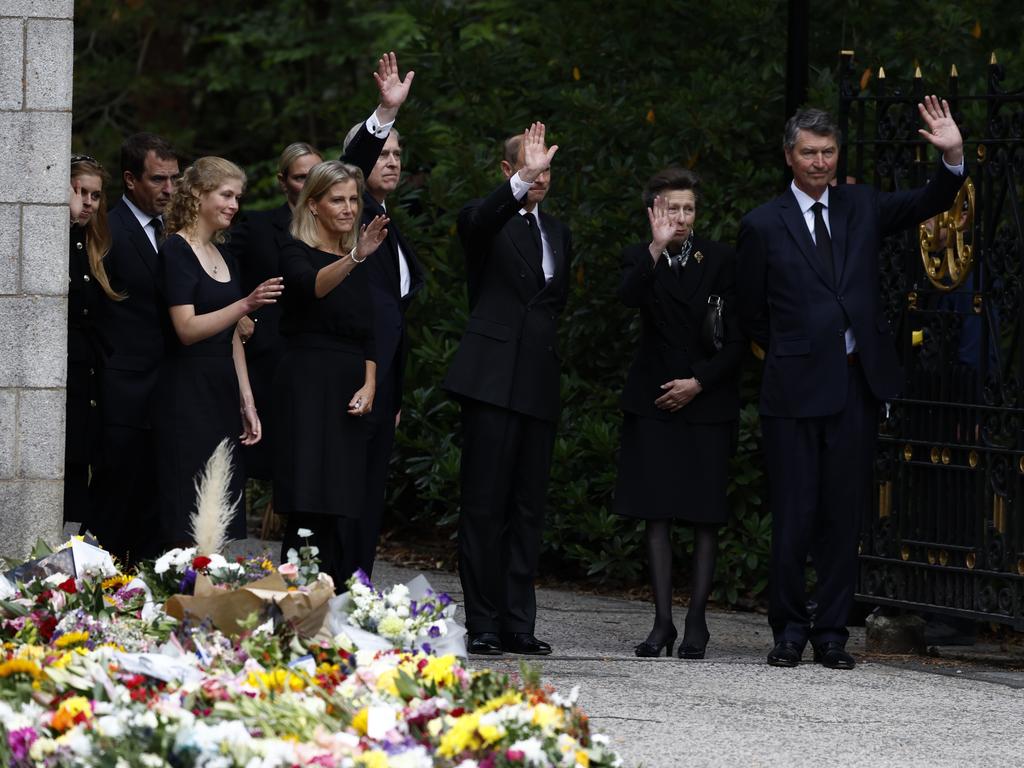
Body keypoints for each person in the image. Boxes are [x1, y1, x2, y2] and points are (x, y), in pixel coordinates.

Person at [736, 97, 966, 669]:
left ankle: (832, 632)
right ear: (789, 156)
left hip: (854, 387)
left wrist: (954, 156)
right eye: (809, 152)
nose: (820, 162)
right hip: (792, 391)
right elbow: (748, 312)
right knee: (794, 516)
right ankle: (789, 629)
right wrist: (795, 345)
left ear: (839, 156)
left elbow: (929, 200)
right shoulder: (762, 223)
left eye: (828, 151)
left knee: (843, 516)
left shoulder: (861, 204)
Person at [443, 122, 571, 656]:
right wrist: (519, 183)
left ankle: (520, 621)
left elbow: (553, 306)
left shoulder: (558, 231)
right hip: (492, 381)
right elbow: (479, 220)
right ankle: (485, 622)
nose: (540, 175)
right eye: (528, 166)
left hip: (538, 382)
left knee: (527, 508)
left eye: (545, 168)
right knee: (484, 506)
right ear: (508, 171)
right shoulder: (486, 220)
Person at [614, 168, 743, 659]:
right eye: (672, 209)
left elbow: (737, 338)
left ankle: (697, 623)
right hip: (653, 401)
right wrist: (654, 248)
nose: (682, 217)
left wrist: (699, 382)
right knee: (657, 514)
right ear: (654, 212)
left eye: (688, 208)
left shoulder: (723, 259)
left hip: (706, 401)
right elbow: (627, 298)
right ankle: (662, 622)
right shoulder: (640, 257)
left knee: (704, 514)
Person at [155, 157, 283, 549]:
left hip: (222, 391)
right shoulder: (177, 249)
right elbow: (187, 329)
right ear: (197, 193)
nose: (234, 205)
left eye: (238, 197)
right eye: (225, 194)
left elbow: (231, 338)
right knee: (187, 507)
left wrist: (247, 400)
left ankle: (212, 595)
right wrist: (245, 305)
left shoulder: (225, 255)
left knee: (220, 502)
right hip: (184, 391)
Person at [273, 161, 389, 589]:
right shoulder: (294, 248)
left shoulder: (360, 257)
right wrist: (357, 255)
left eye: (353, 199)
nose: (347, 207)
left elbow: (371, 331)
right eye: (337, 199)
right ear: (314, 205)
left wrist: (371, 382)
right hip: (307, 381)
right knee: (308, 498)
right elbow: (311, 288)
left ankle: (340, 594)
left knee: (343, 498)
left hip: (350, 385)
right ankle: (299, 595)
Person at [340, 120, 425, 578]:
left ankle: (358, 590)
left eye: (397, 153)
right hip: (354, 374)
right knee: (349, 492)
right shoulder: (351, 213)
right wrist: (386, 114)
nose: (391, 161)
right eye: (382, 152)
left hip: (385, 379)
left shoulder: (387, 220)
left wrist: (395, 390)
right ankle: (330, 594)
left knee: (371, 494)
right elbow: (351, 165)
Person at [90, 133, 179, 564]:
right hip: (123, 394)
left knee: (156, 512)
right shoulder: (106, 228)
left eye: (174, 179)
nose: (169, 189)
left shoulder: (175, 229)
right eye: (158, 179)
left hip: (169, 391)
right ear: (129, 179)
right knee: (114, 511)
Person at [226, 142, 323, 488]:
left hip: (322, 358)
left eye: (315, 175)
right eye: (300, 177)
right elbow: (219, 267)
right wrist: (238, 311)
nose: (309, 183)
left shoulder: (340, 228)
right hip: (270, 356)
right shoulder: (258, 226)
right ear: (283, 182)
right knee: (262, 457)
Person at [65, 154, 118, 528]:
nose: (87, 202)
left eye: (95, 195)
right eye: (79, 192)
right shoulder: (58, 239)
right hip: (63, 371)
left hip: (91, 375)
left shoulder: (97, 244)